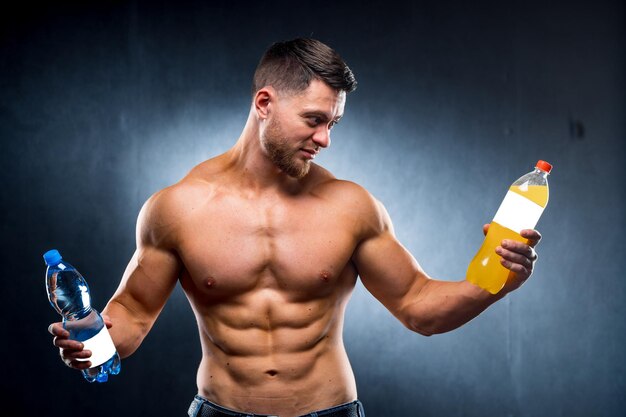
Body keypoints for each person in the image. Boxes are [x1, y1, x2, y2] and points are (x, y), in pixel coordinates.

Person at [48, 38, 542, 417]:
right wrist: (93, 343)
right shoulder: (177, 208)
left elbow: (419, 308)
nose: (325, 138)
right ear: (264, 102)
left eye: (334, 123)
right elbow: (131, 316)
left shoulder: (352, 207)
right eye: (313, 119)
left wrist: (494, 285)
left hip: (330, 411)